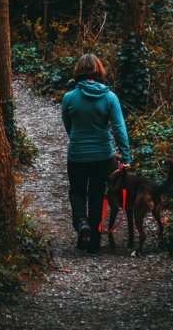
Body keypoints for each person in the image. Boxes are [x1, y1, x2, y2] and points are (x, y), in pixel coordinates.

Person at [61, 53, 131, 253]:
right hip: (102, 156)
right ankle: (94, 241)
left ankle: (81, 223)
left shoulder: (69, 97)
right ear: (99, 71)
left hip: (77, 155)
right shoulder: (110, 97)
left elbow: (68, 126)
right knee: (96, 194)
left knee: (77, 191)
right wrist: (125, 158)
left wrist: (77, 140)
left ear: (78, 71)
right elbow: (119, 129)